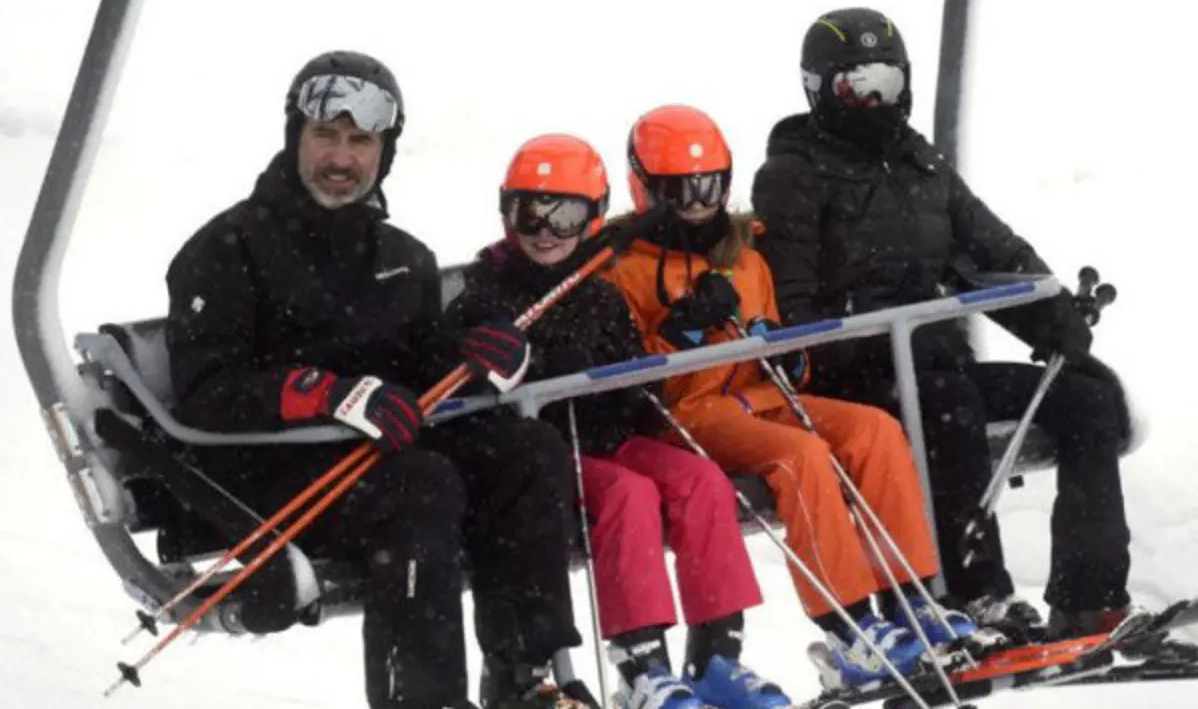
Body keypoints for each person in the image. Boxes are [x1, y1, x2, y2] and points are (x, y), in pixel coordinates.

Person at [164, 50, 582, 708]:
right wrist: (323, 393)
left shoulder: (402, 257)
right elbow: (206, 393)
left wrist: (479, 360)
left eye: (360, 141)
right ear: (295, 136)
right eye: (325, 135)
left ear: (384, 152)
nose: (341, 158)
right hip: (274, 477)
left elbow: (423, 371)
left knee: (527, 450)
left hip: (382, 459)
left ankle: (525, 677)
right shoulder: (227, 250)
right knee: (421, 484)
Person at [750, 7, 1137, 641]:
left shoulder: (918, 164)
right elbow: (791, 308)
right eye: (856, 86)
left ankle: (1090, 600)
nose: (875, 102)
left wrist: (1052, 316)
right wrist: (879, 337)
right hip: (854, 380)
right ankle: (974, 595)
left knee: (1087, 397)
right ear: (819, 90)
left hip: (935, 363)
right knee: (949, 403)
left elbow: (991, 251)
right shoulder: (793, 177)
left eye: (887, 83)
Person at [602, 104, 983, 690]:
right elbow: (632, 384)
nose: (698, 202)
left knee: (874, 430)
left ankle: (909, 595)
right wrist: (683, 329)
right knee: (799, 455)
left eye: (711, 186)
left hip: (756, 398)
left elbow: (783, 346)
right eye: (679, 190)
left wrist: (788, 357)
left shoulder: (745, 257)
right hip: (689, 415)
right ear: (645, 189)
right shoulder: (624, 270)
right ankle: (847, 623)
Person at [444, 133, 791, 709]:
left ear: (595, 215)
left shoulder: (600, 291)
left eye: (565, 215)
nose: (546, 231)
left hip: (610, 435)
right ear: (506, 212)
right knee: (630, 495)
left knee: (702, 480)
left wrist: (628, 374)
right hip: (550, 455)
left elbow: (639, 380)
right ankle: (642, 665)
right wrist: (535, 369)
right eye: (529, 212)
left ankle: (717, 656)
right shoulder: (488, 293)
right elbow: (462, 372)